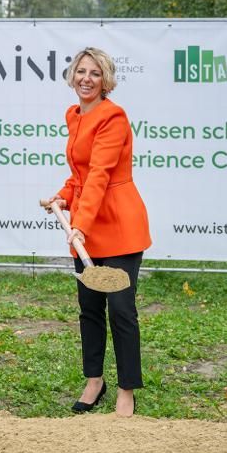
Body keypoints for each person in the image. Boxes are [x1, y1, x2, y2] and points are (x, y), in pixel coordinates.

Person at [43, 47, 151, 418]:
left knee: (120, 309)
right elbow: (81, 174)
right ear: (72, 76)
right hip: (86, 227)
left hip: (119, 226)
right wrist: (63, 196)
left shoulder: (113, 117)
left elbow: (101, 175)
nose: (86, 79)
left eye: (94, 73)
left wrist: (80, 226)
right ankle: (94, 381)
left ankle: (126, 389)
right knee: (89, 308)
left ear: (106, 81)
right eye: (81, 71)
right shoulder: (74, 115)